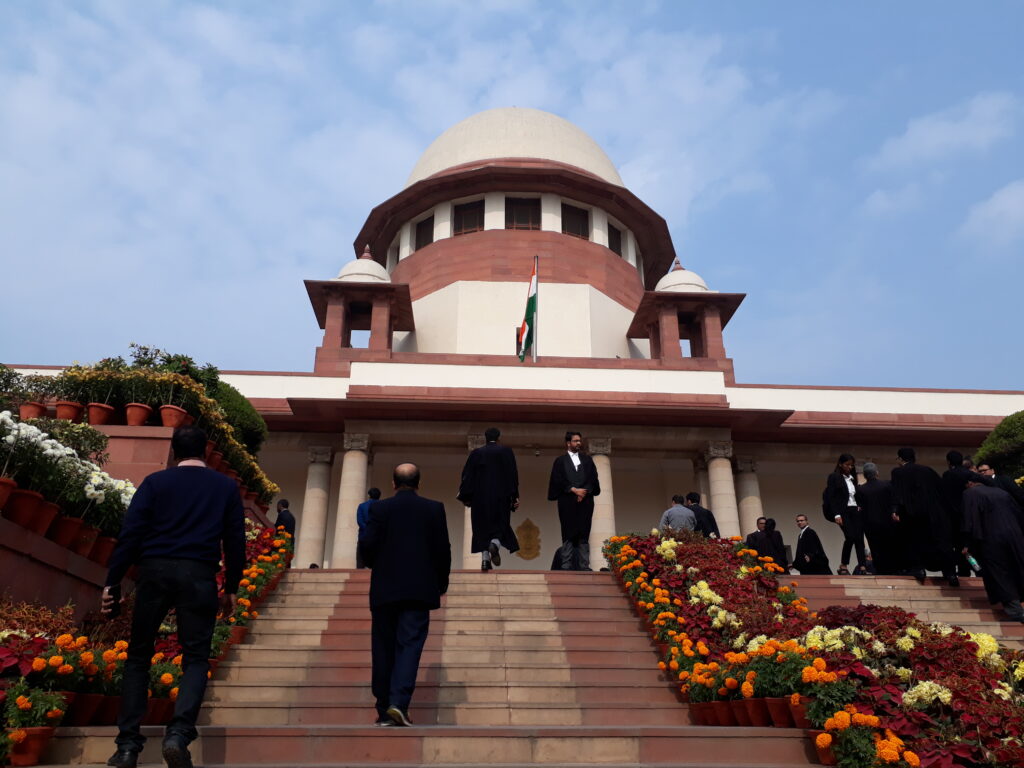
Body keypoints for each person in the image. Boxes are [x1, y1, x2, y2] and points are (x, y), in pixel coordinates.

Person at [101, 426, 244, 768]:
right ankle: (178, 735)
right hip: (199, 574)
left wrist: (113, 581)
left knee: (138, 656)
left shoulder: (155, 483)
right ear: (206, 453)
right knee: (195, 658)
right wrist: (232, 587)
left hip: (154, 570)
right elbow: (235, 540)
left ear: (174, 451)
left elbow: (131, 533)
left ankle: (127, 747)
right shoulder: (224, 486)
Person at [358, 463, 451, 727]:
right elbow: (443, 549)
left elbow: (367, 544)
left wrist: (379, 564)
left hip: (385, 588)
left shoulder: (379, 508)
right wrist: (441, 583)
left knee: (383, 647)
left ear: (393, 483)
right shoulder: (433, 509)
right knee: (409, 646)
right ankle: (399, 703)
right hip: (419, 589)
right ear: (419, 483)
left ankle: (383, 707)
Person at [890, 447, 959, 586]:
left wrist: (895, 510)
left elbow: (897, 493)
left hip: (912, 513)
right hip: (934, 513)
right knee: (941, 543)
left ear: (901, 459)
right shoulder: (928, 470)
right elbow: (941, 490)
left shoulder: (898, 472)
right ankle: (950, 573)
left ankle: (919, 570)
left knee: (914, 541)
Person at [457, 427, 520, 572]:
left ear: (485, 438)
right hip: (501, 497)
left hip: (480, 498)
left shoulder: (476, 453)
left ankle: (485, 560)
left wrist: (466, 496)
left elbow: (467, 476)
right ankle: (495, 544)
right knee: (500, 525)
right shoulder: (506, 452)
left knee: (481, 529)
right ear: (499, 438)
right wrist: (514, 496)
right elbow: (513, 476)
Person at [962, 477, 1024, 622]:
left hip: (991, 537)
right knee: (1016, 567)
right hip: (1014, 535)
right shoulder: (1001, 492)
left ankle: (1015, 611)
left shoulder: (970, 494)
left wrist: (967, 543)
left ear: (970, 483)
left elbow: (970, 520)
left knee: (999, 572)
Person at [547, 431, 601, 571]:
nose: (578, 443)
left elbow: (593, 479)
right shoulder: (560, 461)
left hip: (586, 501)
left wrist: (584, 491)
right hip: (567, 502)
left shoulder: (587, 460)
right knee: (568, 532)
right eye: (575, 441)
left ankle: (584, 565)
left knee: (584, 532)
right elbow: (557, 480)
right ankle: (566, 565)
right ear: (568, 443)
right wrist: (573, 490)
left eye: (579, 441)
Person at [822, 453, 866, 576]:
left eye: (851, 465)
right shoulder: (834, 477)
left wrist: (859, 506)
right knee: (850, 536)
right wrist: (836, 514)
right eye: (847, 464)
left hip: (855, 510)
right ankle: (843, 565)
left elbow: (855, 494)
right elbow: (831, 497)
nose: (849, 467)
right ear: (840, 464)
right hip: (843, 511)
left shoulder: (852, 478)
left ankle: (862, 566)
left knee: (859, 538)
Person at [856, 463, 901, 575]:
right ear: (877, 473)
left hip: (870, 525)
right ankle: (893, 570)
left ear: (865, 476)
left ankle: (880, 570)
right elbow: (894, 501)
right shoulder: (887, 485)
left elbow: (860, 507)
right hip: (887, 523)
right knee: (890, 547)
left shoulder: (861, 490)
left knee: (875, 549)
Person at [941, 451, 976, 576]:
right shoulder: (969, 475)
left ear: (949, 462)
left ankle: (952, 573)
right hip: (968, 515)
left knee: (952, 546)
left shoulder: (947, 475)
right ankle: (966, 570)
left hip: (951, 516)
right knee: (965, 545)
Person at [356, 488, 382, 569]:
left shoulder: (362, 506)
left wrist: (368, 530)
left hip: (364, 536)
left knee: (361, 559)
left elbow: (360, 521)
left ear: (368, 495)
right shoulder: (383, 506)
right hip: (378, 536)